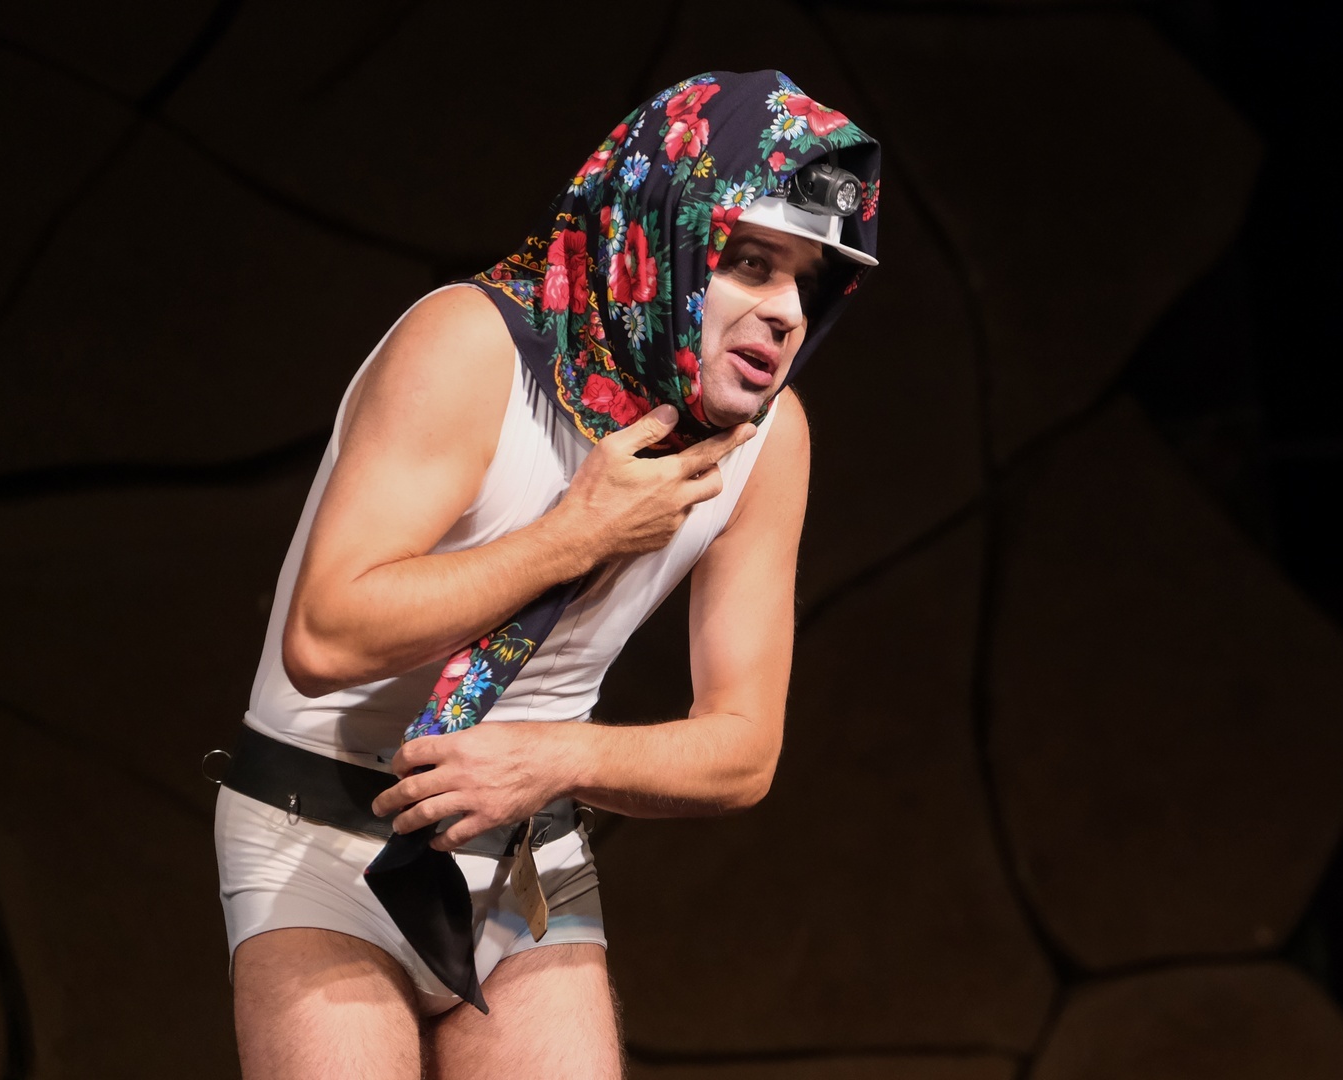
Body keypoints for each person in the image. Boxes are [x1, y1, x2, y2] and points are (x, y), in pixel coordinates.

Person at [212, 70, 881, 1079]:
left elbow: (743, 752)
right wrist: (576, 535)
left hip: (526, 848)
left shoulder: (769, 442)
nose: (786, 312)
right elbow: (324, 639)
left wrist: (556, 759)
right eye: (750, 263)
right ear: (665, 236)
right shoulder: (473, 344)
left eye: (809, 281)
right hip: (315, 832)